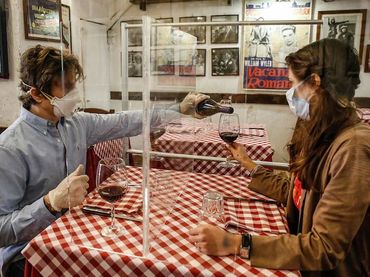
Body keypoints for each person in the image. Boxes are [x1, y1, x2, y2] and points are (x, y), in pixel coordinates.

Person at [0, 45, 208, 277]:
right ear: (37, 94)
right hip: (29, 256)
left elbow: (125, 122)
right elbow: (1, 231)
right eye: (67, 87)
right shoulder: (9, 148)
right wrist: (49, 203)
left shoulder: (75, 123)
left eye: (74, 84)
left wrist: (179, 109)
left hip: (72, 237)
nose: (75, 94)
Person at [189, 39, 370, 276]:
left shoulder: (354, 146)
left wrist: (233, 243)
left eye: (293, 84)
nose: (290, 93)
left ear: (315, 83)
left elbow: (323, 248)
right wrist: (250, 166)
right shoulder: (322, 129)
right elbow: (296, 193)